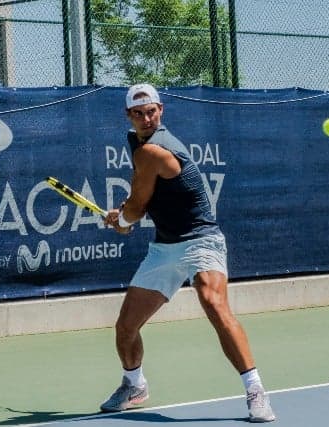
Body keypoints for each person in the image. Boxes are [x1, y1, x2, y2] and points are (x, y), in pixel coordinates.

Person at [100, 83, 276, 422]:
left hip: (201, 240)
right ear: (129, 116)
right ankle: (134, 384)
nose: (146, 118)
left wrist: (122, 219)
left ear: (161, 111)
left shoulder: (154, 149)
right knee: (125, 327)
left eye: (151, 111)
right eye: (139, 113)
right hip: (165, 247)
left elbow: (136, 207)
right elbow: (146, 197)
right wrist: (126, 212)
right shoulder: (136, 142)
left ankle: (255, 391)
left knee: (214, 303)